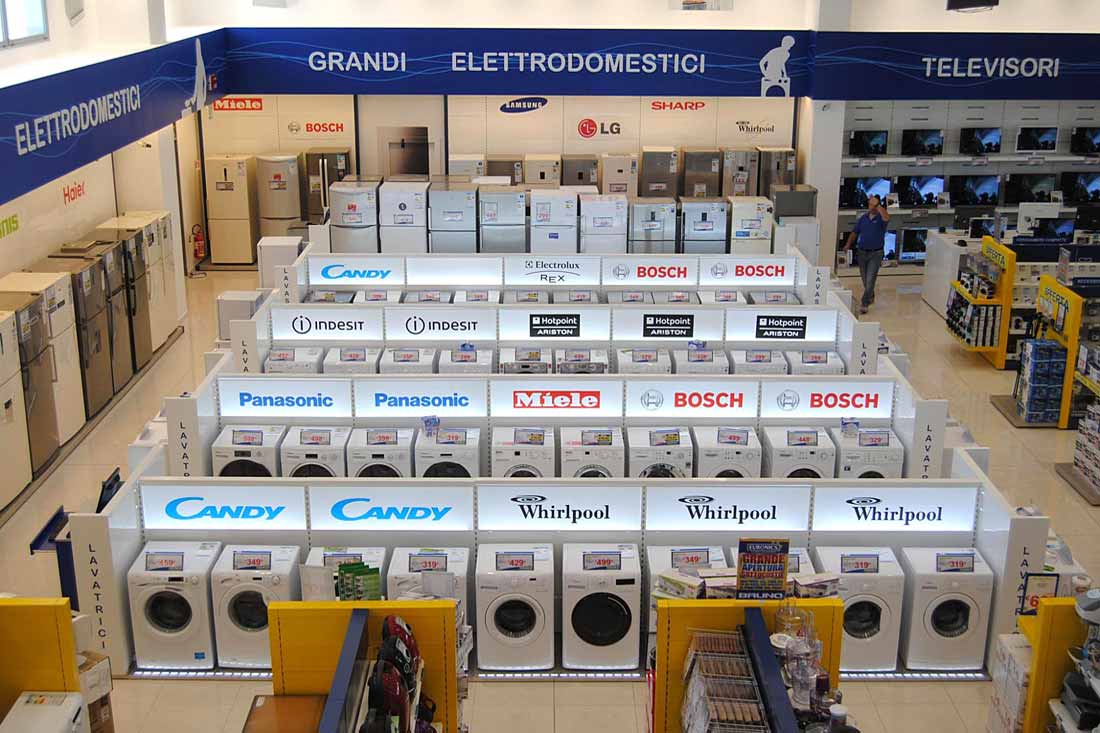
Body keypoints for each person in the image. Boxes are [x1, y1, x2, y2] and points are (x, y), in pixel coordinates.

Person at [843, 194, 890, 314]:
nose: (871, 207)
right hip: (862, 253)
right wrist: (848, 244)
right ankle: (871, 295)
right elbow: (855, 232)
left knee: (870, 279)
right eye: (870, 204)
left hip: (876, 253)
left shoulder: (881, 218)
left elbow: (887, 217)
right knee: (865, 279)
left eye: (873, 205)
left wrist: (878, 205)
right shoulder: (863, 218)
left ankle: (864, 303)